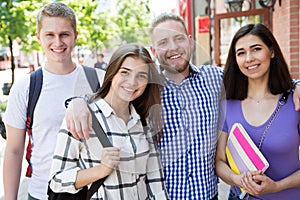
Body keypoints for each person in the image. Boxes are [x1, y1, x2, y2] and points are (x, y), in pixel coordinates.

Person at [64, 14, 300, 200]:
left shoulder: (216, 79)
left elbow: (254, 75)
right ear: (155, 51)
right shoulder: (144, 86)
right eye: (164, 43)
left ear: (189, 40)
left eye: (178, 38)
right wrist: (77, 102)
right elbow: (110, 93)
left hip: (208, 196)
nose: (173, 47)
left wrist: (297, 85)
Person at [2, 2, 104, 199]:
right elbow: (14, 151)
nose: (58, 42)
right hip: (43, 193)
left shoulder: (99, 80)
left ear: (75, 36)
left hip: (93, 192)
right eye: (50, 35)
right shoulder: (26, 87)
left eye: (64, 34)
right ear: (39, 37)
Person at [49, 43, 169, 199]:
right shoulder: (83, 117)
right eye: (125, 72)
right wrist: (101, 170)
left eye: (141, 75)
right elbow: (57, 180)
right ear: (112, 73)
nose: (132, 82)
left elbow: (155, 182)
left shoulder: (143, 122)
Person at [215, 23, 300, 199]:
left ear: (272, 52)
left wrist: (277, 186)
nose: (249, 58)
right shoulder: (227, 105)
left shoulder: (295, 102)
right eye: (241, 53)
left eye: (256, 49)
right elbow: (219, 161)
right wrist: (237, 180)